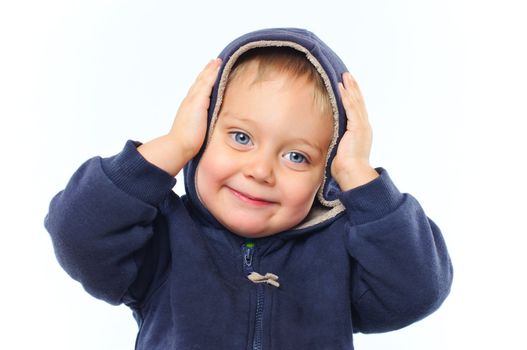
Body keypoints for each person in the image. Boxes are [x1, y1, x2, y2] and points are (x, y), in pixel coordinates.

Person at [44, 28, 453, 349]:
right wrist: (173, 145)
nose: (260, 171)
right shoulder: (164, 240)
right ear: (202, 136)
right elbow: (78, 233)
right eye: (241, 137)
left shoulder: (338, 253)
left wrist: (360, 176)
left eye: (297, 157)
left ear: (325, 177)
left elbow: (418, 290)